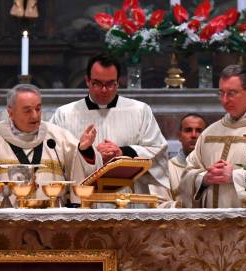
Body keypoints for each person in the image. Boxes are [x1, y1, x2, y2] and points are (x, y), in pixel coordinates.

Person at [0, 84, 101, 208]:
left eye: (38, 109)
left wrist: (85, 151)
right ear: (10, 112)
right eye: (27, 110)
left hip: (52, 225)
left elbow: (84, 171)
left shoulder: (58, 138)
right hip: (3, 227)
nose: (35, 115)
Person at [51, 53, 172, 205]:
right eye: (97, 83)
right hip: (83, 201)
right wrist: (85, 152)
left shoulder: (140, 111)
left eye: (110, 84)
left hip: (129, 201)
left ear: (118, 82)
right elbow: (53, 156)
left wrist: (123, 153)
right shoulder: (65, 114)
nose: (103, 90)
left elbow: (158, 151)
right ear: (87, 81)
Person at [179, 65, 246, 208]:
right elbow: (188, 173)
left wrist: (234, 176)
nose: (224, 100)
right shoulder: (210, 132)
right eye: (221, 93)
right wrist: (204, 178)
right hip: (212, 226)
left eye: (231, 93)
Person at [168, 113, 206, 203]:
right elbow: (158, 205)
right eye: (188, 130)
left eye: (199, 131)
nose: (193, 135)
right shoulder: (166, 169)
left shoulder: (215, 168)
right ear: (179, 136)